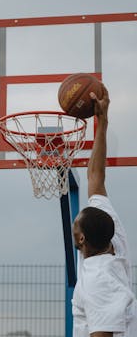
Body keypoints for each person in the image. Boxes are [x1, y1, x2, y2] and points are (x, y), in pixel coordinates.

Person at [72, 85, 137, 337]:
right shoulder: (111, 233)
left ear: (81, 239)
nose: (73, 224)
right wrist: (102, 120)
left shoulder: (99, 280)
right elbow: (95, 176)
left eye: (75, 223)